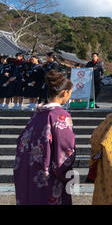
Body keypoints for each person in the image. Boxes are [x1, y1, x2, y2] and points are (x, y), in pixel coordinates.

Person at [14, 70, 75, 205]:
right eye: (70, 93)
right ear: (65, 93)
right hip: (49, 177)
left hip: (29, 173)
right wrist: (66, 173)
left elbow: (21, 142)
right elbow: (65, 149)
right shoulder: (61, 116)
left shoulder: (37, 115)